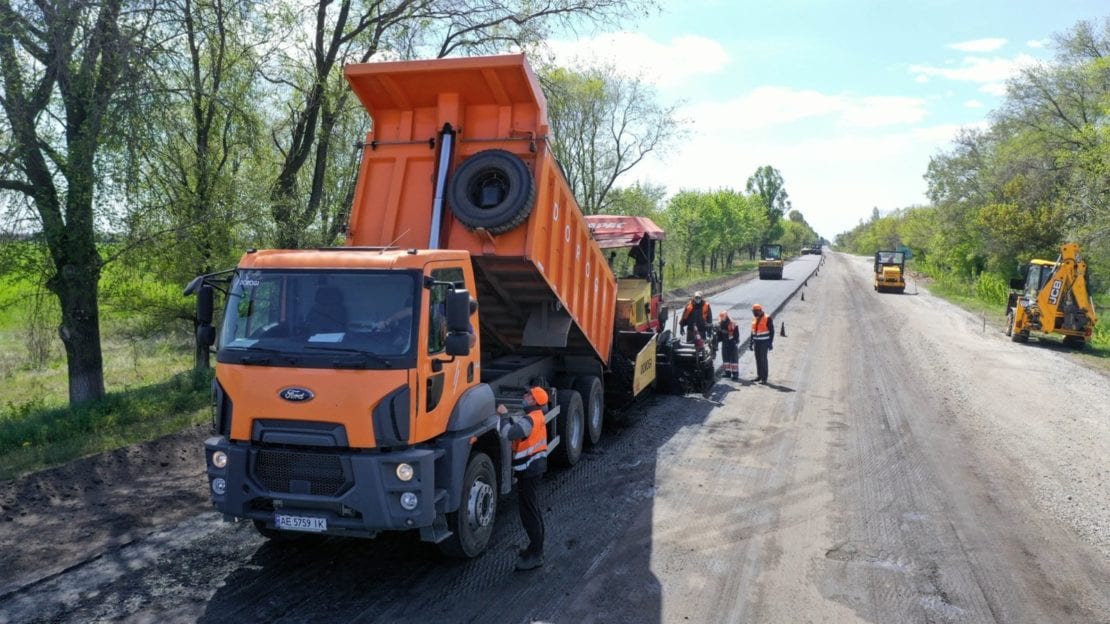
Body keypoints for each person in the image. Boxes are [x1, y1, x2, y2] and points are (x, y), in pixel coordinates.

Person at [496, 386, 549, 571]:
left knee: (529, 514)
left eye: (528, 395)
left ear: (534, 401)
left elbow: (509, 434)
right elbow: (520, 432)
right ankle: (536, 549)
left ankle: (536, 554)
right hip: (534, 469)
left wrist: (503, 416)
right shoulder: (536, 416)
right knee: (533, 510)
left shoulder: (530, 419)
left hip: (529, 471)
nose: (524, 396)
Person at [749, 303, 774, 384]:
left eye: (754, 311)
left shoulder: (767, 318)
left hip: (764, 342)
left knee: (763, 359)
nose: (753, 313)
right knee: (758, 359)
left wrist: (770, 343)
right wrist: (751, 342)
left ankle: (764, 378)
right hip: (757, 342)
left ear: (758, 311)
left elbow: (772, 331)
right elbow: (752, 331)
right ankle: (759, 376)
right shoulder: (754, 318)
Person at [717, 311, 740, 379]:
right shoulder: (721, 322)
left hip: (732, 342)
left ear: (726, 316)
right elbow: (720, 333)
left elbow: (734, 332)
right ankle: (727, 373)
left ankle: (735, 374)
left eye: (723, 317)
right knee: (725, 358)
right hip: (725, 342)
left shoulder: (732, 322)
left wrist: (736, 340)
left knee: (734, 359)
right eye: (721, 318)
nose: (722, 319)